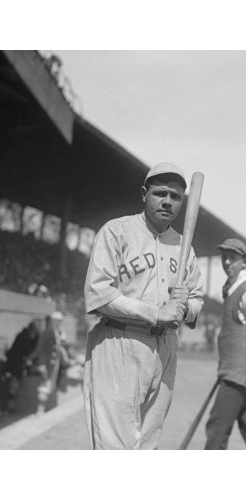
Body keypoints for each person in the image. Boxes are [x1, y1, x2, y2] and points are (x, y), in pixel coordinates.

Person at [83, 162, 204, 450]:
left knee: (149, 446)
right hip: (120, 342)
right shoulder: (117, 232)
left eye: (175, 197)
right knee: (115, 448)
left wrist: (185, 307)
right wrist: (155, 312)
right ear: (143, 194)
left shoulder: (184, 245)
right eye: (160, 193)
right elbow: (98, 292)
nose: (167, 202)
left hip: (165, 348)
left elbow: (198, 299)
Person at [204, 238, 246, 450]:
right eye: (224, 258)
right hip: (234, 374)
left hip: (238, 377)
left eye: (233, 258)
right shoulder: (232, 288)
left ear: (244, 262)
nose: (227, 263)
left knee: (216, 430)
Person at [4, 321, 40, 412]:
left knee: (13, 386)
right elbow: (27, 350)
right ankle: (9, 407)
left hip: (15, 365)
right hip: (15, 366)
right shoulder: (24, 337)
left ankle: (10, 407)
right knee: (13, 387)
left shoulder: (24, 336)